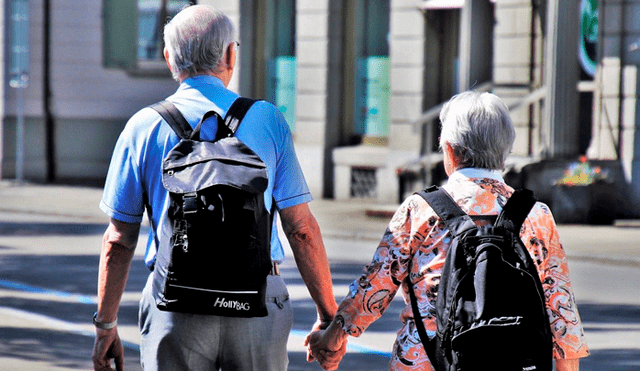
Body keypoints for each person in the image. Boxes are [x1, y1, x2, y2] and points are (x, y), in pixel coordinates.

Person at [92, 5, 339, 371]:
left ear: (168, 58)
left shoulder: (142, 127)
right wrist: (328, 315)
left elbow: (119, 239)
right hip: (257, 302)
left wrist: (106, 325)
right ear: (229, 54)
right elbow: (301, 229)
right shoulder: (267, 119)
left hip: (175, 303)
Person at [306, 91, 590, 371]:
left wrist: (332, 338)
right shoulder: (536, 215)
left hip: (425, 361)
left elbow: (374, 289)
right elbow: (561, 311)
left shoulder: (420, 210)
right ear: (505, 150)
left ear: (451, 150)